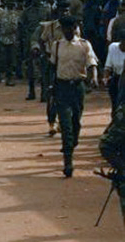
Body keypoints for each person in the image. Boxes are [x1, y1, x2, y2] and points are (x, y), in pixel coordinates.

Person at [52, 15, 98, 178]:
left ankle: (72, 143)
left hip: (78, 87)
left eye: (69, 28)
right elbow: (53, 66)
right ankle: (68, 161)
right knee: (65, 125)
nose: (67, 31)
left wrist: (93, 78)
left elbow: (91, 63)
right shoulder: (56, 46)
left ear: (74, 28)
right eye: (64, 28)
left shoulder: (84, 45)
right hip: (62, 87)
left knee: (75, 122)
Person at [104, 40, 125, 114]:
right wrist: (105, 79)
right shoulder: (113, 47)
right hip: (117, 78)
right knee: (116, 104)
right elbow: (108, 66)